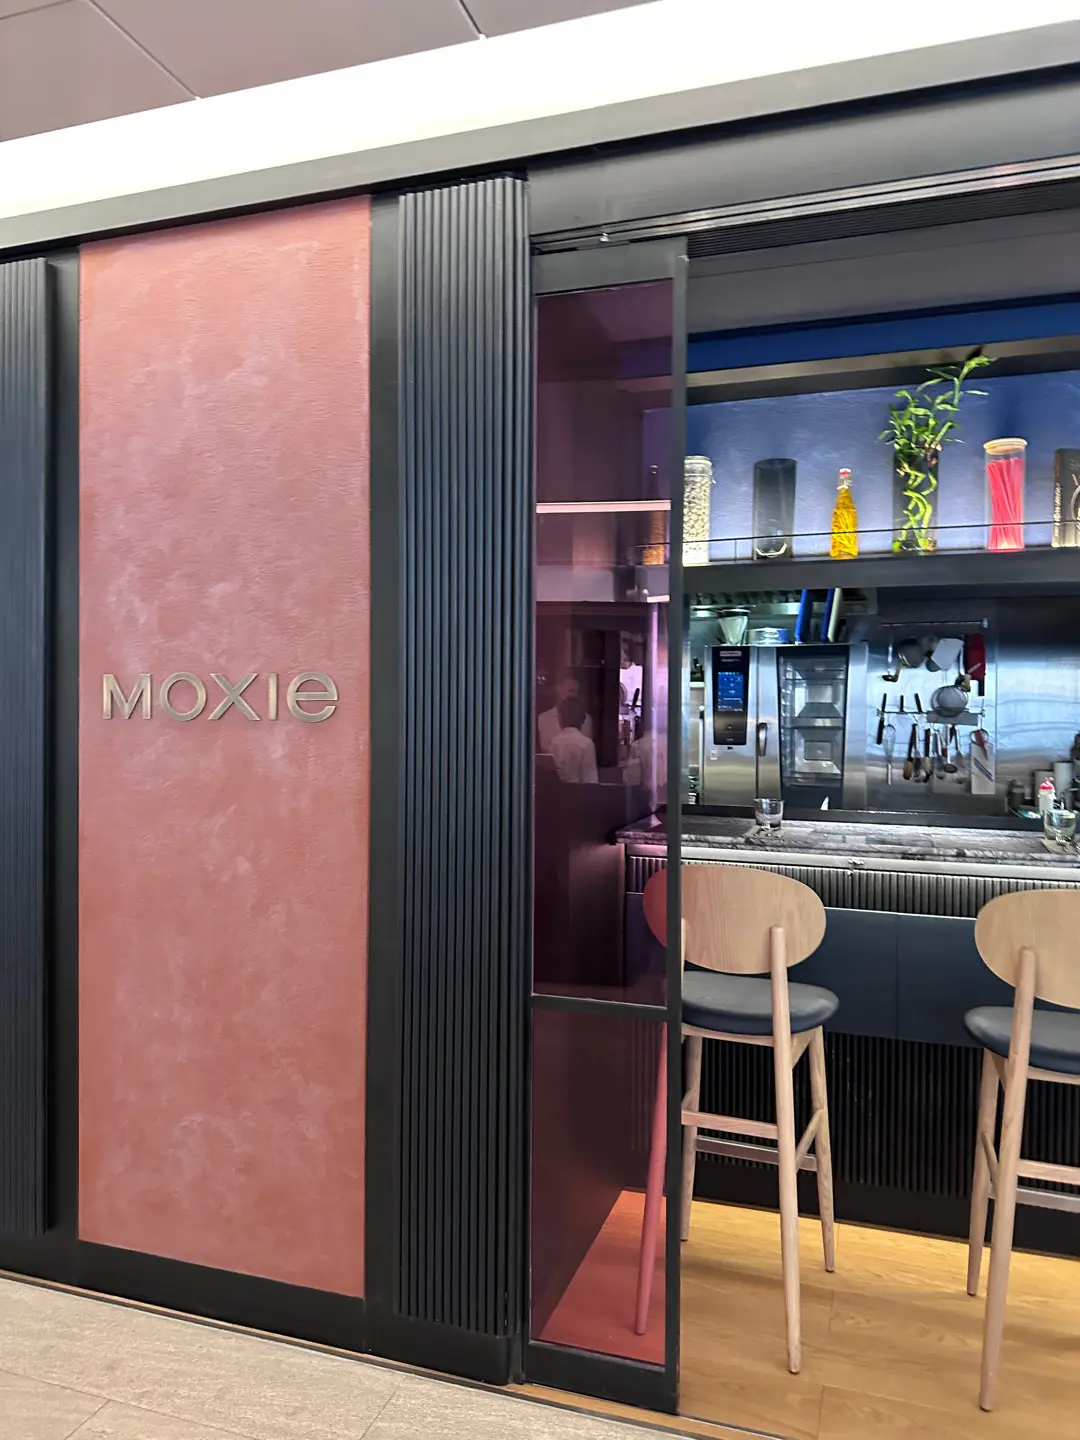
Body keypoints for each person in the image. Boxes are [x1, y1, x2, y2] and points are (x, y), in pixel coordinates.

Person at [538, 668, 593, 754]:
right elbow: (545, 750)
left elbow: (587, 749)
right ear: (557, 689)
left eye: (577, 692)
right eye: (570, 691)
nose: (574, 695)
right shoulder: (544, 718)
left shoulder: (586, 719)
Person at [548, 696, 598, 784]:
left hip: (557, 791)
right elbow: (591, 780)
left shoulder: (554, 742)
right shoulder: (586, 744)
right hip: (579, 791)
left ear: (560, 718)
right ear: (583, 719)